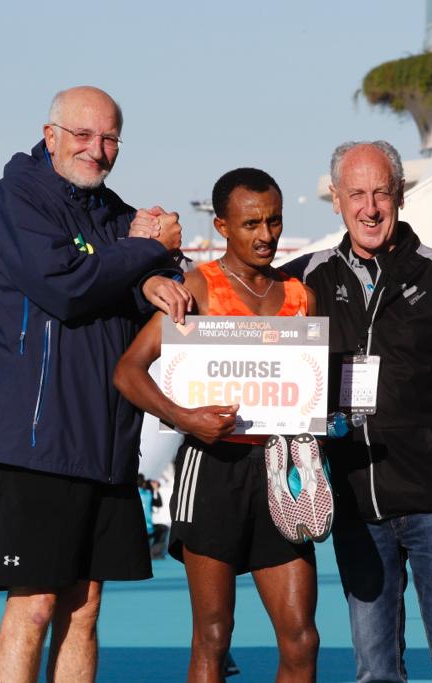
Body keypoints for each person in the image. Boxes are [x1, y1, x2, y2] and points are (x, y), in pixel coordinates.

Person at [0, 86, 192, 683]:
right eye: (84, 136)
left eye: (110, 138)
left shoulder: (114, 213)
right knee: (34, 605)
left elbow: (155, 267)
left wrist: (159, 274)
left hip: (106, 442)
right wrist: (143, 254)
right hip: (35, 441)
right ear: (51, 135)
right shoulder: (18, 196)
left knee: (85, 609)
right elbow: (65, 284)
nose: (97, 149)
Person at [284, 141, 432, 683]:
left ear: (401, 195)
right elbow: (233, 295)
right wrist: (164, 277)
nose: (370, 207)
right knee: (375, 672)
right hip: (356, 507)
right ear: (336, 199)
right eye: (356, 193)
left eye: (381, 191)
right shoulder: (305, 280)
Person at [115, 168, 321, 682]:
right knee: (213, 634)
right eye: (252, 223)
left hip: (284, 470)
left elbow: (319, 386)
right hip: (212, 469)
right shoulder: (197, 289)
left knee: (302, 638)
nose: (267, 235)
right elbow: (127, 371)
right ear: (223, 226)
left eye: (274, 221)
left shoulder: (301, 297)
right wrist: (185, 418)